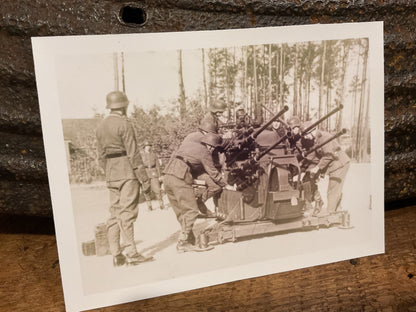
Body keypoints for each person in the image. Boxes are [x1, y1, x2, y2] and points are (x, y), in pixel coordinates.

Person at [96, 90, 153, 267]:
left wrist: (109, 171)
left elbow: (100, 156)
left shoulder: (100, 126)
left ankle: (116, 255)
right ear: (123, 106)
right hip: (127, 171)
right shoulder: (124, 124)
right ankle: (132, 253)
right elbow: (134, 154)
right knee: (127, 213)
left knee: (114, 213)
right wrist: (144, 179)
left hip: (111, 173)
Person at [163, 132, 233, 253]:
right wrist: (226, 185)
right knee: (191, 210)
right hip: (180, 176)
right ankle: (183, 242)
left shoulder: (188, 144)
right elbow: (213, 172)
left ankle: (190, 240)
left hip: (167, 177)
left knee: (181, 212)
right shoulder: (204, 151)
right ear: (211, 146)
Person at [308, 126, 350, 216]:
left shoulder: (325, 137)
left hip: (339, 164)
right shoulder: (317, 139)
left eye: (306, 134)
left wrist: (318, 168)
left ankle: (331, 214)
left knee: (333, 189)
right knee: (334, 188)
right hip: (334, 164)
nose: (305, 137)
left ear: (312, 131)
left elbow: (329, 155)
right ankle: (337, 209)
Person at [141, 141, 165, 211]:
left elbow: (157, 165)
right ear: (144, 147)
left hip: (153, 173)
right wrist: (141, 176)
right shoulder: (141, 155)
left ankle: (161, 204)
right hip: (145, 173)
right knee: (146, 190)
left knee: (157, 189)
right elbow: (140, 167)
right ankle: (149, 206)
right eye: (147, 146)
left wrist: (159, 175)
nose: (148, 147)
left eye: (149, 146)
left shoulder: (153, 155)